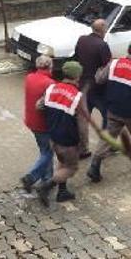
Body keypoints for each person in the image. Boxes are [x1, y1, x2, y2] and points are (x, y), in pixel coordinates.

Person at [87, 41, 131, 183]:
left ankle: (95, 164)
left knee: (108, 136)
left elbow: (99, 79)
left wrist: (98, 70)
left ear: (128, 50)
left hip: (113, 109)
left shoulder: (114, 64)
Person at [35, 61, 91, 206]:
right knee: (71, 168)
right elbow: (83, 126)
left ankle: (62, 191)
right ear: (77, 76)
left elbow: (39, 105)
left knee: (62, 162)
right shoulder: (77, 97)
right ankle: (46, 187)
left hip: (53, 136)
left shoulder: (51, 88)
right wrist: (84, 146)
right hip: (69, 140)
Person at [73, 19, 112, 158]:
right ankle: (107, 146)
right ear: (102, 30)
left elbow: (76, 58)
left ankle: (82, 149)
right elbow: (107, 68)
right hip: (98, 88)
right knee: (108, 117)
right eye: (106, 29)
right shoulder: (102, 45)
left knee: (82, 119)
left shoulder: (82, 40)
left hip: (82, 86)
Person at [20, 55, 56, 193]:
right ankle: (31, 177)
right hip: (43, 124)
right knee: (47, 152)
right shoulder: (50, 84)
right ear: (50, 67)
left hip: (31, 121)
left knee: (44, 151)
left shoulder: (29, 77)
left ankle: (47, 179)